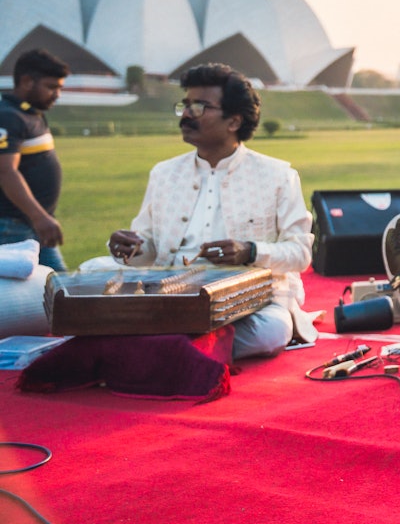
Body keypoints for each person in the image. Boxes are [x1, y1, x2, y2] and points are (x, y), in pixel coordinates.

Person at [82, 63, 316, 359]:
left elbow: (299, 254)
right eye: (186, 104)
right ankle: (183, 344)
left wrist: (250, 251)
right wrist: (128, 247)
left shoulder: (278, 175)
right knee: (92, 270)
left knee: (271, 332)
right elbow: (150, 247)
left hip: (243, 300)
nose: (187, 114)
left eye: (200, 106)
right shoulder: (165, 173)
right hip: (169, 291)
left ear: (233, 121)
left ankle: (157, 344)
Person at [0, 48, 70, 272]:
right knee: (28, 298)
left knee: (59, 293)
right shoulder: (8, 116)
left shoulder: (31, 113)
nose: (57, 94)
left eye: (60, 87)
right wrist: (39, 217)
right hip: (13, 228)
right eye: (51, 87)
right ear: (27, 81)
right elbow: (5, 171)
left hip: (34, 225)